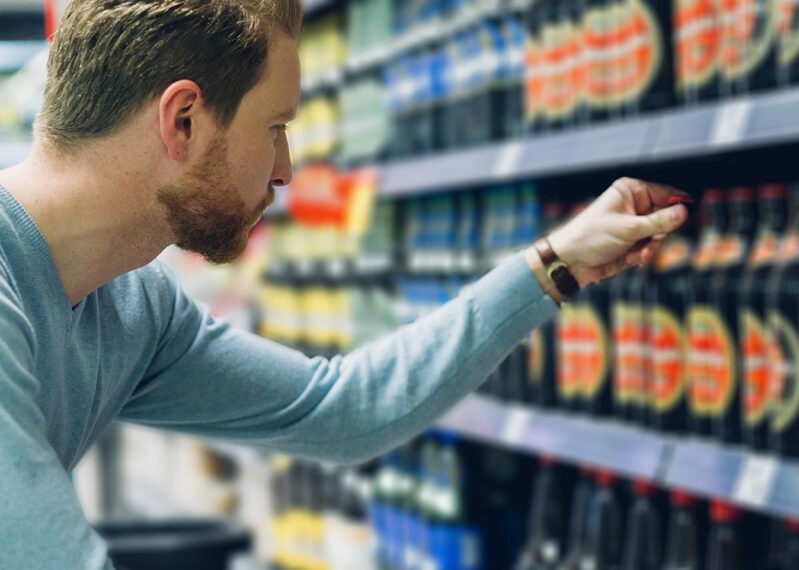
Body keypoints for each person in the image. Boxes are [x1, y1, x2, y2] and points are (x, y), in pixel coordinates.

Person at [0, 0, 688, 568]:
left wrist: (553, 264)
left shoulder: (133, 306)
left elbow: (340, 410)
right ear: (183, 120)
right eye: (274, 128)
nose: (285, 169)